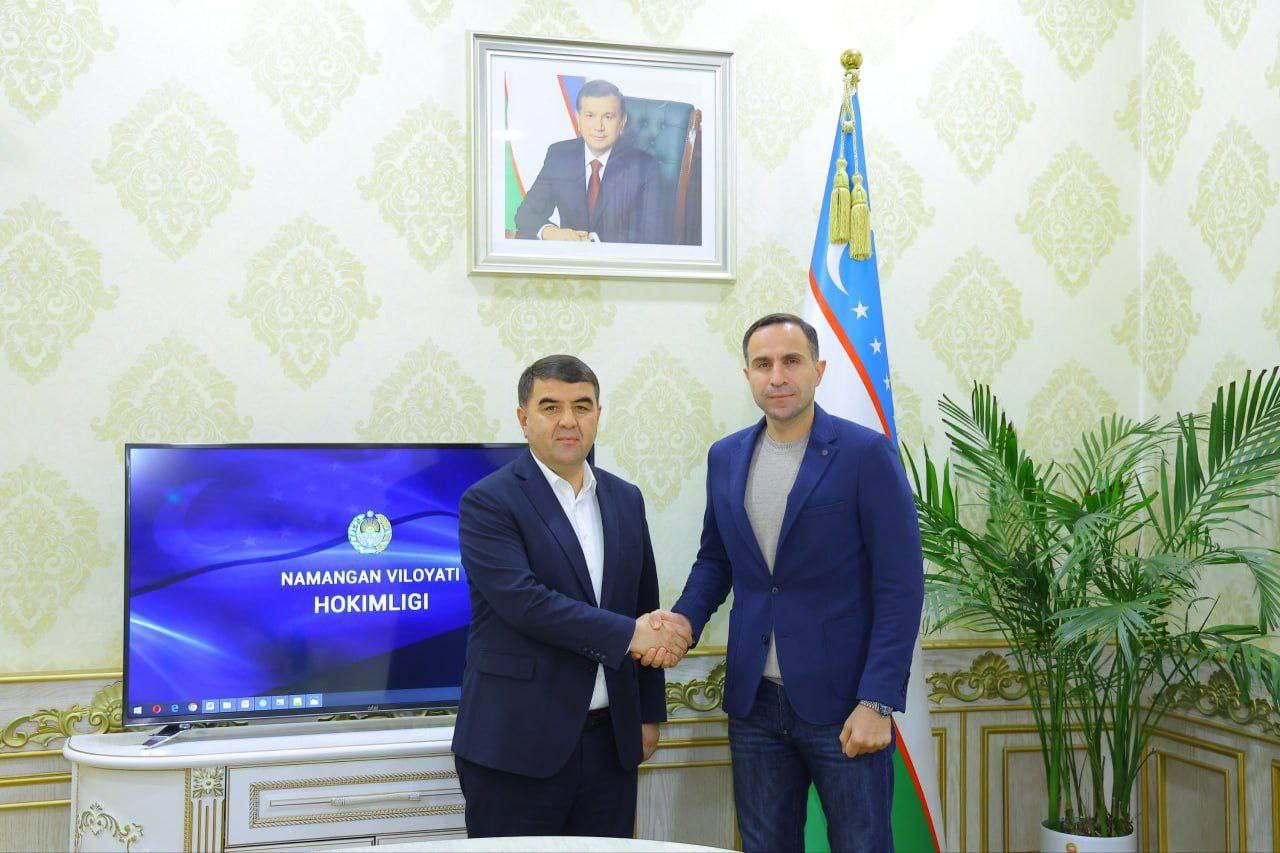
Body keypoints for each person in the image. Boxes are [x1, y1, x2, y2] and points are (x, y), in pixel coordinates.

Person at [646, 313, 924, 852]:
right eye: (763, 364)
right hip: (754, 705)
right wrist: (682, 621)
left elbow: (900, 586)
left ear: (818, 370)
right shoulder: (725, 456)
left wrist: (877, 702)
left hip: (846, 704)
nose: (777, 376)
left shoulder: (866, 454)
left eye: (791, 361)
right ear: (747, 375)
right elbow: (716, 561)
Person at [451, 354, 691, 838]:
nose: (568, 420)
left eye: (582, 407)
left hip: (611, 745)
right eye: (550, 407)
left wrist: (647, 716)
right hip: (516, 748)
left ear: (598, 415)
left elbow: (642, 604)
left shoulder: (625, 498)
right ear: (523, 419)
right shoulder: (488, 501)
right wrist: (632, 635)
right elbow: (526, 603)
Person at [513, 79, 667, 244]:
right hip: (568, 257)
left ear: (622, 122)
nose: (598, 127)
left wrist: (591, 241)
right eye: (590, 116)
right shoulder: (559, 155)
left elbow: (653, 235)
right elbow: (525, 214)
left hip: (616, 258)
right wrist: (551, 232)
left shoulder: (645, 167)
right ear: (578, 119)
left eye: (608, 117)